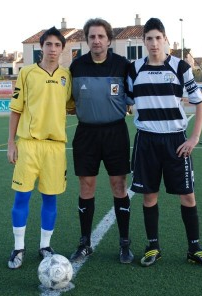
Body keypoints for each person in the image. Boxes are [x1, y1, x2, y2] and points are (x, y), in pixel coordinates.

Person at [127, 18, 202, 267]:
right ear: (143, 41)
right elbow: (124, 99)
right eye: (149, 38)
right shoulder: (134, 69)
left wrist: (194, 138)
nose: (154, 43)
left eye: (158, 38)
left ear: (165, 39)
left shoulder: (179, 67)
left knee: (188, 196)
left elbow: (200, 103)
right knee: (149, 196)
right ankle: (152, 247)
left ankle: (194, 248)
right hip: (146, 141)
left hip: (176, 141)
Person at [7, 26, 74, 269]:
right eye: (49, 44)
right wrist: (11, 143)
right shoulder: (26, 73)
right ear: (41, 47)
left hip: (55, 147)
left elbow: (71, 106)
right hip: (29, 144)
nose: (53, 49)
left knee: (50, 199)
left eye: (58, 45)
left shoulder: (67, 76)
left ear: (62, 49)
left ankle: (45, 246)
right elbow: (16, 110)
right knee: (22, 197)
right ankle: (18, 248)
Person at [69, 18, 134, 264]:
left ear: (109, 40)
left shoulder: (122, 65)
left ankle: (124, 243)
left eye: (101, 36)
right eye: (92, 37)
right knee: (86, 186)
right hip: (86, 134)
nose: (96, 41)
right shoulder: (76, 66)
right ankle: (85, 243)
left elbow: (133, 96)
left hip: (115, 133)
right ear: (87, 40)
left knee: (119, 185)